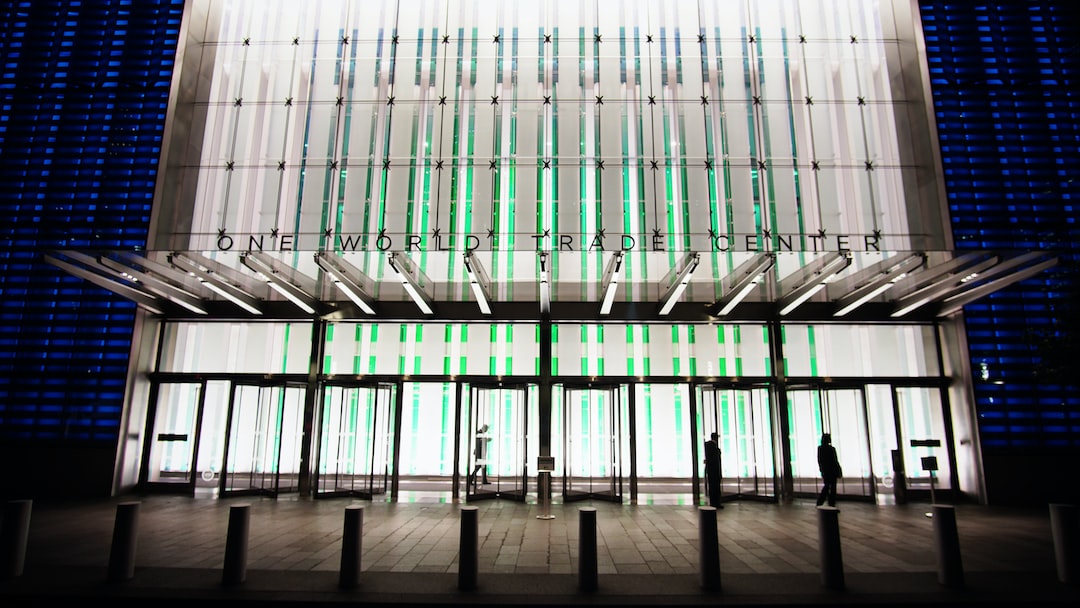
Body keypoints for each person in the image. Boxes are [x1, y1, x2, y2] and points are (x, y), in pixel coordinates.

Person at [816, 433, 841, 507]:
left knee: (827, 486)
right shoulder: (831, 449)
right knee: (833, 487)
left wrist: (821, 469)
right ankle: (831, 502)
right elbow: (835, 461)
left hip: (826, 471)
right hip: (832, 470)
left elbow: (820, 460)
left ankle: (820, 501)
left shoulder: (820, 449)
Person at [703, 431, 723, 508]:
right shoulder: (713, 447)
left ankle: (714, 502)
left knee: (712, 487)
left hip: (711, 471)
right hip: (714, 471)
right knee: (715, 488)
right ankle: (716, 503)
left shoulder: (709, 446)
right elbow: (715, 460)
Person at [469, 423, 491, 488]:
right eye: (486, 429)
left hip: (481, 454)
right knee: (478, 467)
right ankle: (470, 479)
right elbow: (480, 443)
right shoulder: (479, 433)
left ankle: (484, 480)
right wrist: (486, 440)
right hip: (479, 454)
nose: (486, 430)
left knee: (483, 467)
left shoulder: (481, 434)